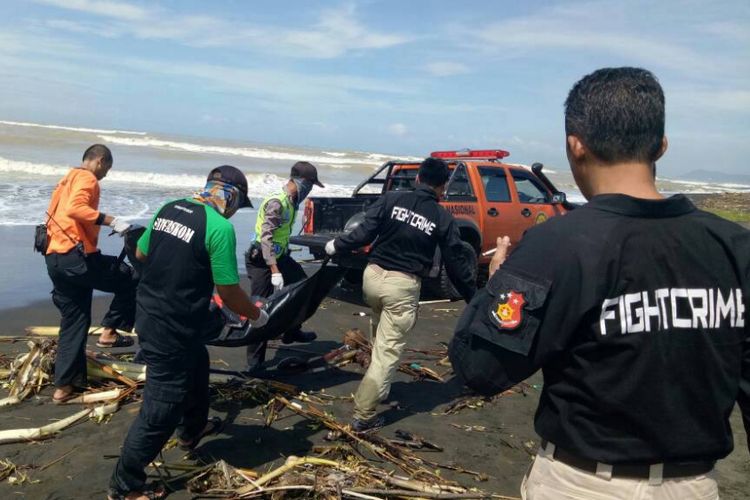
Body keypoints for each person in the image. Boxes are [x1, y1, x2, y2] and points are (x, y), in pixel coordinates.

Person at [449, 67, 750, 499]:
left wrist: (494, 287)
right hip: (695, 486)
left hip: (581, 483)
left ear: (575, 145)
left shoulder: (558, 243)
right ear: (661, 147)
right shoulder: (734, 247)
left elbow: (479, 368)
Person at [108, 165, 268, 500]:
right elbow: (228, 290)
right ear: (232, 195)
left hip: (154, 312)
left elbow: (141, 253)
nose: (236, 210)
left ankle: (191, 432)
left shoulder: (170, 207)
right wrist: (255, 315)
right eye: (239, 203)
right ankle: (125, 485)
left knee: (197, 366)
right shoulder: (219, 227)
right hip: (172, 326)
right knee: (161, 407)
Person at [326, 157, 477, 431]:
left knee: (381, 331)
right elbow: (456, 262)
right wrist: (472, 296)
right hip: (402, 286)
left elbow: (363, 233)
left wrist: (336, 244)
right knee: (387, 350)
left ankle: (379, 390)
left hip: (371, 280)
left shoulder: (390, 199)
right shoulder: (443, 218)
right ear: (443, 188)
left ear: (418, 178)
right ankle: (364, 416)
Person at [44, 144, 137, 404]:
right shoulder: (87, 177)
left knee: (75, 321)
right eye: (107, 168)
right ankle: (110, 332)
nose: (106, 174)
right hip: (77, 259)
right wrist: (113, 221)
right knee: (131, 278)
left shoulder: (67, 178)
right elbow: (76, 209)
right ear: (99, 161)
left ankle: (64, 387)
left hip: (55, 259)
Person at [244, 161, 324, 370]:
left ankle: (291, 330)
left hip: (279, 257)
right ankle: (255, 363)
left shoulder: (292, 201)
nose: (309, 191)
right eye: (310, 185)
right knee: (260, 308)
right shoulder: (277, 203)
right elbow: (266, 239)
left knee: (300, 286)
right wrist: (274, 271)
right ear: (301, 182)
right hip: (261, 260)